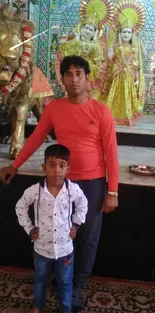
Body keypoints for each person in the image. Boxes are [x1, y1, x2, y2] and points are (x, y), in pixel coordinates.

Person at [0, 55, 119, 312]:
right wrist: (15, 164)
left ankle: (76, 285)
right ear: (62, 79)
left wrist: (112, 191)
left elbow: (112, 152)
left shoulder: (101, 111)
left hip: (93, 184)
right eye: (69, 74)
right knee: (58, 233)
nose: (74, 78)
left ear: (87, 79)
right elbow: (34, 140)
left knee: (86, 238)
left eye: (79, 73)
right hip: (60, 184)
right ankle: (60, 276)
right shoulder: (55, 108)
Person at [15, 144, 88, 313]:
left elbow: (83, 205)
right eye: (52, 165)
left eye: (62, 165)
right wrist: (30, 228)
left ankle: (65, 309)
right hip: (41, 249)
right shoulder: (36, 191)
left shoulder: (72, 190)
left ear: (68, 168)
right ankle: (37, 306)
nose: (57, 170)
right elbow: (20, 207)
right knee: (40, 279)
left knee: (65, 281)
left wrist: (76, 224)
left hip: (65, 250)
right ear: (44, 167)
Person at [106, 0, 146, 126]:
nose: (126, 34)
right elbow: (110, 59)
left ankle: (127, 116)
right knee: (115, 96)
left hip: (129, 75)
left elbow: (140, 59)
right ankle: (113, 117)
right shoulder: (116, 46)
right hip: (117, 75)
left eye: (129, 32)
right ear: (120, 33)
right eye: (124, 32)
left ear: (132, 33)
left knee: (128, 96)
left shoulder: (135, 46)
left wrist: (138, 41)